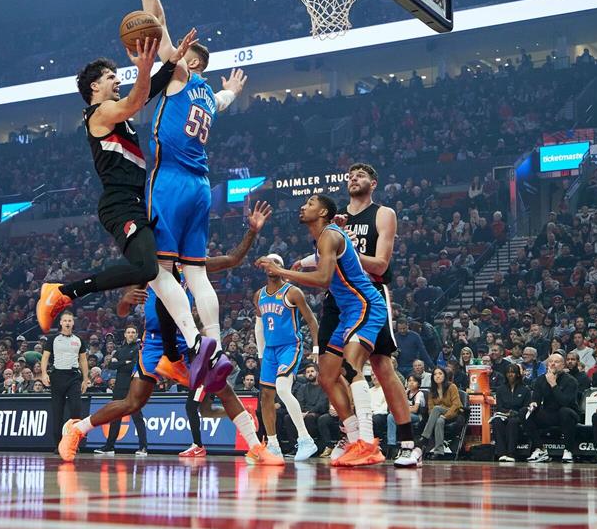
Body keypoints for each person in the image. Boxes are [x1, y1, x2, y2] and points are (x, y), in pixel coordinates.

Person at [37, 31, 226, 390]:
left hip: (141, 202)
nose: (117, 80)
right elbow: (139, 98)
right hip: (120, 204)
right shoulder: (100, 113)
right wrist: (146, 68)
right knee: (150, 268)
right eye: (111, 76)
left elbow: (148, 91)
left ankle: (172, 357)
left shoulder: (117, 111)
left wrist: (170, 64)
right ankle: (63, 292)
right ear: (94, 86)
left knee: (164, 274)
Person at [57, 205, 282, 466]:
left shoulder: (191, 264)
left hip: (185, 340)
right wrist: (125, 300)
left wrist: (252, 232)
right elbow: (121, 311)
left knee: (223, 388)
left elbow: (232, 259)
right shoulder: (148, 265)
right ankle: (77, 429)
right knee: (132, 403)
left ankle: (255, 447)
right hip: (154, 342)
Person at [134, 0, 247, 391]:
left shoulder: (181, 74)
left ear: (190, 62)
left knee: (157, 270)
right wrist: (232, 91)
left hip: (172, 182)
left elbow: (155, 21)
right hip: (202, 186)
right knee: (196, 272)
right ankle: (216, 346)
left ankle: (196, 342)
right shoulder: (209, 97)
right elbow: (223, 97)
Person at [260, 192, 401, 468]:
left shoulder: (330, 235)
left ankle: (368, 443)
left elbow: (324, 278)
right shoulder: (323, 238)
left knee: (350, 366)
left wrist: (282, 272)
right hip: (347, 312)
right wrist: (299, 263)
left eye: (310, 203)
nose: (303, 207)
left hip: (365, 304)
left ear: (323, 212)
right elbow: (320, 263)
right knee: (326, 376)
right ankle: (353, 438)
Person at [253, 254, 320, 461]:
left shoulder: (292, 292)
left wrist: (316, 348)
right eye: (269, 263)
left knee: (282, 388)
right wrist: (261, 354)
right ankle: (273, 445)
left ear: (282, 268)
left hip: (290, 346)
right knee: (266, 396)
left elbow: (312, 320)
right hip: (270, 350)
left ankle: (306, 439)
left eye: (277, 264)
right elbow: (259, 327)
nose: (272, 267)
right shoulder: (258, 295)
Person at [40, 312, 90, 449]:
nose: (68, 323)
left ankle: (73, 443)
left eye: (70, 320)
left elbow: (83, 360)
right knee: (58, 411)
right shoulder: (53, 339)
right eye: (65, 320)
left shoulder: (79, 340)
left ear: (73, 323)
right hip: (57, 375)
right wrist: (44, 373)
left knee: (76, 410)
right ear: (61, 323)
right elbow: (45, 357)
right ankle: (58, 444)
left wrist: (85, 379)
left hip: (74, 376)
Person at [96, 325, 148, 456]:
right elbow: (111, 365)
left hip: (133, 387)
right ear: (125, 334)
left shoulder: (138, 349)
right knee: (115, 417)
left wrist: (121, 363)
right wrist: (125, 362)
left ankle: (143, 447)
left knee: (137, 417)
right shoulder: (120, 349)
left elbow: (134, 365)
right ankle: (109, 446)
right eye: (128, 332)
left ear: (136, 335)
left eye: (133, 332)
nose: (131, 334)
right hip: (119, 387)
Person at [524, 352, 579, 463]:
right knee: (524, 412)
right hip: (549, 413)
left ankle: (568, 450)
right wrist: (533, 404)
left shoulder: (571, 381)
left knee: (565, 411)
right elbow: (536, 399)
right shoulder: (541, 380)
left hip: (568, 414)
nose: (553, 364)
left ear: (563, 365)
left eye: (556, 362)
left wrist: (553, 384)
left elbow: (565, 402)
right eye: (550, 362)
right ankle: (540, 449)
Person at [418, 366, 462, 457]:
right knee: (439, 421)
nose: (437, 376)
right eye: (435, 374)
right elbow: (430, 408)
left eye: (440, 374)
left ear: (444, 376)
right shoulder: (432, 390)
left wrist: (446, 416)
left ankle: (425, 436)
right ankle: (439, 452)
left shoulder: (452, 386)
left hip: (453, 413)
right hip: (438, 416)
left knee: (437, 408)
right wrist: (438, 416)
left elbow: (456, 405)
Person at [491, 363, 530, 462]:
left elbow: (526, 407)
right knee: (496, 421)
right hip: (504, 414)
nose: (510, 374)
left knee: (512, 422)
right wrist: (507, 412)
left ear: (517, 374)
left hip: (518, 416)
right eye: (508, 372)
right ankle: (501, 453)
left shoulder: (525, 389)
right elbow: (499, 407)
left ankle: (511, 453)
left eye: (513, 372)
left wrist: (515, 413)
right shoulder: (500, 389)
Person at [387, 374, 425, 449]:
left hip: (417, 417)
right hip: (406, 414)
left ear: (419, 384)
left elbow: (415, 409)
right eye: (409, 381)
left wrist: (401, 409)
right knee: (390, 416)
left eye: (414, 381)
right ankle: (391, 443)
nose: (411, 383)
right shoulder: (406, 392)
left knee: (400, 414)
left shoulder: (419, 394)